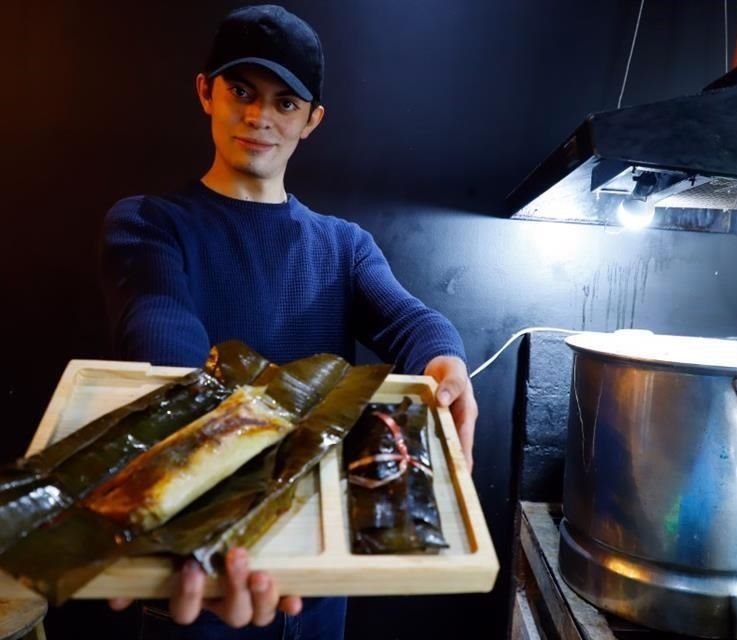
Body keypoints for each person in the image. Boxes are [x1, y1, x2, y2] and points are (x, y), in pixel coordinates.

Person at [99, 4, 478, 639]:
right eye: (242, 91)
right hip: (199, 569)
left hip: (316, 581)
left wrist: (446, 360)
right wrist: (207, 506)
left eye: (285, 102)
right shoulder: (148, 224)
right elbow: (162, 327)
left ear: (311, 120)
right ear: (206, 92)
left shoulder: (344, 246)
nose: (259, 117)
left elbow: (410, 322)